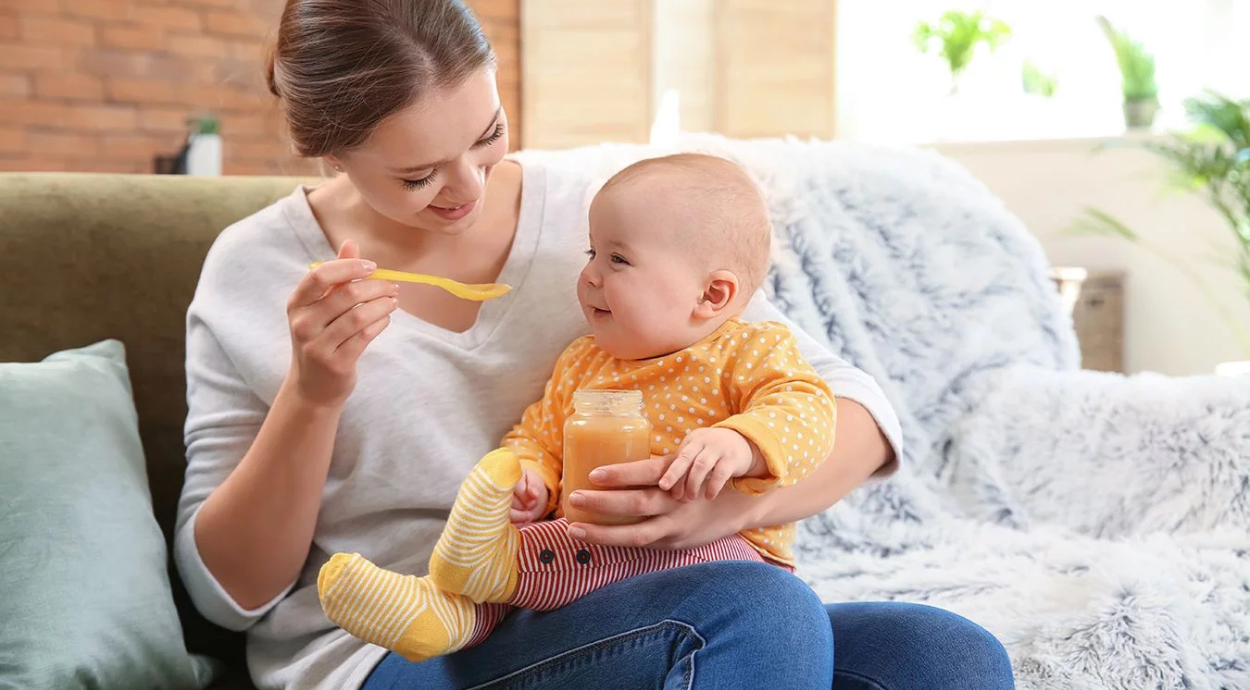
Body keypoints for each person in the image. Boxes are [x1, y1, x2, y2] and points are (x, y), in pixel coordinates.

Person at [174, 1, 1016, 688]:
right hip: (406, 646)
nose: (467, 188)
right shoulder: (256, 271)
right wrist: (313, 394)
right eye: (418, 174)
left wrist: (730, 507)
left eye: (487, 135)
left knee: (945, 657)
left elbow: (854, 409)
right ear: (328, 151)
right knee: (755, 611)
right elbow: (230, 594)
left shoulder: (606, 217)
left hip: (631, 596)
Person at [317, 153, 841, 661]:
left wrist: (742, 442)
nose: (591, 275)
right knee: (551, 537)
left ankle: (485, 571)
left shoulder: (747, 351)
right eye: (591, 253)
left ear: (711, 296)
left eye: (618, 259)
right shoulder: (584, 363)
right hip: (587, 567)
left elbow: (809, 410)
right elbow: (536, 434)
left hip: (724, 555)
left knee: (919, 641)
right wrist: (530, 475)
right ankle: (449, 616)